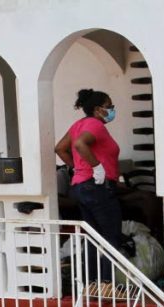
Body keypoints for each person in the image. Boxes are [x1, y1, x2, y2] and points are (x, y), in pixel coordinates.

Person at [55, 89, 127, 289]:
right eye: (109, 106)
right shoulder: (95, 125)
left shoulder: (78, 125)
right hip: (97, 188)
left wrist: (78, 168)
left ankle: (90, 285)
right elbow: (79, 144)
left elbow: (60, 148)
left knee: (93, 237)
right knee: (110, 236)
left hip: (81, 187)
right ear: (98, 109)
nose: (112, 110)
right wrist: (96, 168)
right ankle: (105, 285)